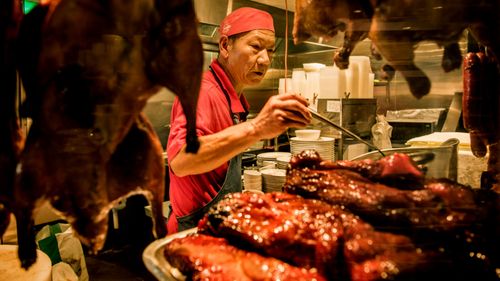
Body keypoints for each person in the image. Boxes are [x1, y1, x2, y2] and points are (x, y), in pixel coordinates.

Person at [166, 7, 311, 233]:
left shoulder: (233, 95)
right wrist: (256, 128)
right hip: (193, 231)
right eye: (255, 47)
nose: (265, 60)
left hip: (216, 223)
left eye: (270, 51)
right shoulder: (203, 91)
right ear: (225, 46)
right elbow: (181, 160)